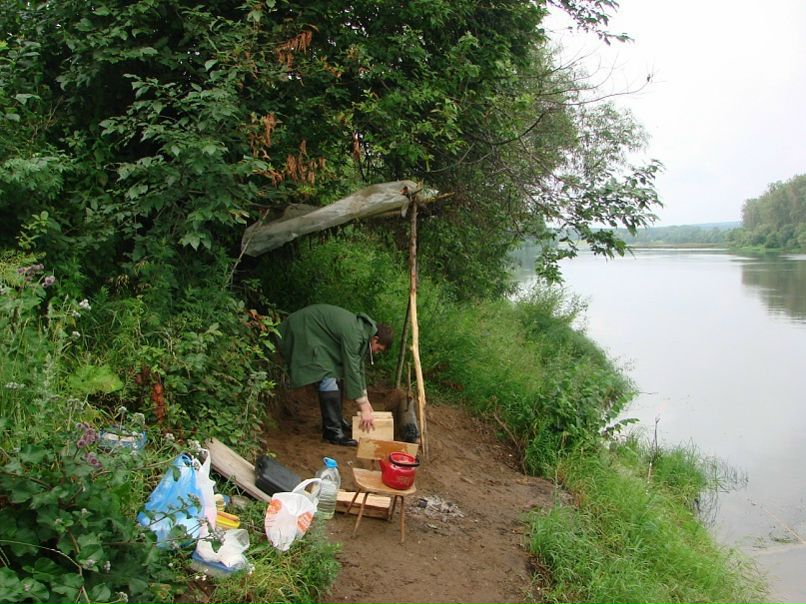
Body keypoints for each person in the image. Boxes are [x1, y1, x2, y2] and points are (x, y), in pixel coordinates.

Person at [278, 304, 393, 446]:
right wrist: (362, 406)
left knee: (334, 372)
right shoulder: (355, 334)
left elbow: (358, 368)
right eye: (379, 349)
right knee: (328, 376)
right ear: (375, 339)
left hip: (316, 333)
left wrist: (366, 400)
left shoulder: (363, 333)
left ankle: (336, 420)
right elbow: (351, 368)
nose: (377, 352)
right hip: (304, 329)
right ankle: (332, 432)